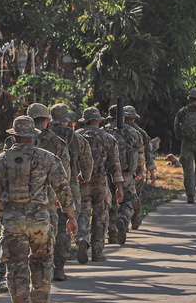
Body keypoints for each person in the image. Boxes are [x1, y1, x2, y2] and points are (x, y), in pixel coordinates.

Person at [0, 116, 77, 303]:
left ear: (14, 135)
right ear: (34, 136)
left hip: (12, 222)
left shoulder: (1, 160)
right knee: (43, 263)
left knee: (16, 267)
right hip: (40, 222)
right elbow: (63, 188)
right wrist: (71, 216)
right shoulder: (47, 158)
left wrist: (2, 215)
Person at [22, 103, 72, 280]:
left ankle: (26, 272)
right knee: (50, 231)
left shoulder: (15, 140)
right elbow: (64, 174)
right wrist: (64, 198)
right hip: (48, 196)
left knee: (21, 234)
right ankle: (51, 269)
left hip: (18, 197)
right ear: (48, 120)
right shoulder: (57, 142)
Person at [50, 104, 93, 280]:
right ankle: (59, 266)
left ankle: (44, 263)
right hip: (71, 184)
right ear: (67, 120)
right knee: (65, 225)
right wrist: (85, 176)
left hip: (45, 187)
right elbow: (87, 161)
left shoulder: (44, 138)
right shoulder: (78, 138)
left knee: (46, 224)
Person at [75, 107, 123, 262]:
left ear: (85, 120)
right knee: (101, 215)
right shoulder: (108, 138)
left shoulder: (75, 137)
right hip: (101, 182)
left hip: (81, 181)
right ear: (98, 120)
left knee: (83, 212)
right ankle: (97, 251)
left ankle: (82, 238)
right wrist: (119, 187)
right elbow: (115, 165)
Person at [105, 104, 142, 245]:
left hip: (108, 173)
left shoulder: (104, 131)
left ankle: (112, 234)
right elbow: (139, 154)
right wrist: (139, 171)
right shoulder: (133, 132)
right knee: (128, 200)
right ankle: (124, 217)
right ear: (124, 116)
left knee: (110, 204)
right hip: (126, 173)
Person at [122, 106, 157, 230]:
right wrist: (151, 172)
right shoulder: (140, 133)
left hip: (119, 171)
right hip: (138, 171)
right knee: (135, 196)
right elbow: (149, 153)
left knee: (122, 197)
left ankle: (121, 222)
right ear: (134, 118)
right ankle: (134, 218)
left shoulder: (116, 131)